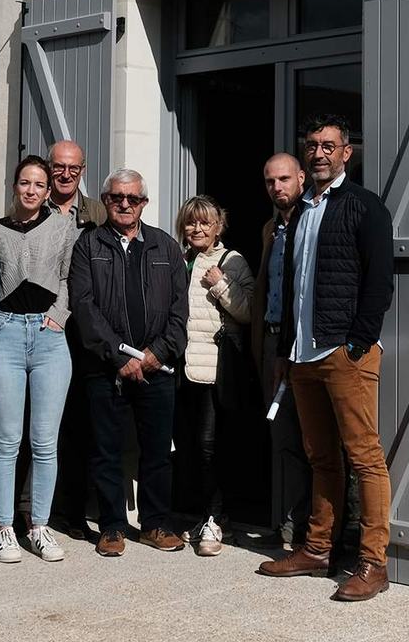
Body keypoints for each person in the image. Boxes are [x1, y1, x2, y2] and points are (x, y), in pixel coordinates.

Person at [258, 115, 395, 602]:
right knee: (321, 457)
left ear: (346, 153)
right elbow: (291, 289)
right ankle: (317, 549)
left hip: (343, 352)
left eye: (328, 146)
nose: (319, 153)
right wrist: (283, 351)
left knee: (364, 458)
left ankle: (373, 563)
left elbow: (380, 282)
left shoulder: (364, 207)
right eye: (312, 145)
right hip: (302, 355)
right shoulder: (297, 216)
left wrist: (357, 342)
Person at [69, 169, 189, 557]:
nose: (124, 204)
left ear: (144, 204)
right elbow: (84, 308)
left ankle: (155, 524)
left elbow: (178, 312)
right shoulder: (88, 245)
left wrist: (158, 353)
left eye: (132, 198)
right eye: (117, 197)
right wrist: (119, 355)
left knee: (157, 451)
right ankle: (112, 528)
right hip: (106, 368)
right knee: (105, 450)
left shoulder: (166, 247)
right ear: (105, 200)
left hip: (158, 368)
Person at [0, 155, 79, 563]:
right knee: (6, 440)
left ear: (48, 190)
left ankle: (39, 526)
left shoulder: (63, 227)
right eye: (25, 183)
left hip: (49, 338)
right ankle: (4, 529)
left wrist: (58, 317)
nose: (32, 190)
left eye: (39, 184)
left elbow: (70, 278)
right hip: (5, 333)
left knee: (45, 442)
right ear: (15, 185)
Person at [173, 195, 254, 556]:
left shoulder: (232, 261)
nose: (197, 229)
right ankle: (203, 513)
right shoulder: (179, 261)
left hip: (214, 368)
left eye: (205, 222)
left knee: (210, 446)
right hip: (180, 366)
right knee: (188, 445)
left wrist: (221, 284)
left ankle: (216, 519)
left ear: (218, 226)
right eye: (191, 222)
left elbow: (250, 311)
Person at [250, 153, 312, 550]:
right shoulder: (271, 229)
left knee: (313, 439)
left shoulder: (313, 223)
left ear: (301, 179)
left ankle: (315, 530)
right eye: (271, 181)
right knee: (283, 436)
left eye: (285, 179)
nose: (277, 187)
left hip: (305, 344)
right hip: (271, 341)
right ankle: (290, 525)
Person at [44, 139, 105, 539]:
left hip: (83, 334)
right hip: (43, 329)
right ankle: (34, 513)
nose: (66, 175)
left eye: (74, 169)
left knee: (80, 427)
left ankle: (73, 511)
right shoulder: (31, 206)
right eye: (58, 168)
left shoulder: (97, 213)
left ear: (82, 170)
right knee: (41, 425)